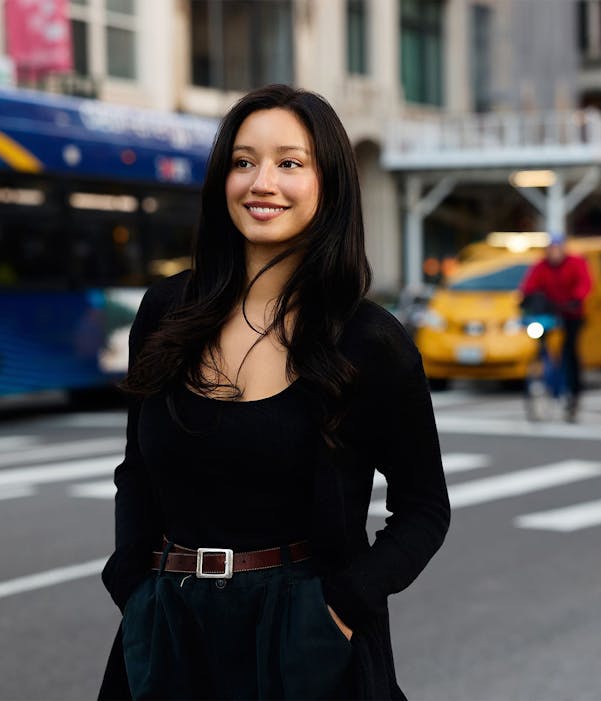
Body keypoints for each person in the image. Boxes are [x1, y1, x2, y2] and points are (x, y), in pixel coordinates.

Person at [97, 84, 450, 700]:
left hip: (303, 638)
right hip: (168, 624)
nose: (263, 182)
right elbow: (137, 472)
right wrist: (131, 584)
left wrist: (340, 608)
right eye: (243, 161)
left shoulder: (369, 341)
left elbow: (423, 509)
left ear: (328, 184)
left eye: (290, 162)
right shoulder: (165, 311)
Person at [519, 233, 592, 420]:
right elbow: (528, 285)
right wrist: (526, 299)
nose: (554, 253)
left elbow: (585, 283)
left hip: (571, 313)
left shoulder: (575, 263)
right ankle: (544, 373)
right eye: (551, 249)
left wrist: (576, 299)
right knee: (540, 343)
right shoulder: (541, 266)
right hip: (550, 314)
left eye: (557, 249)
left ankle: (573, 393)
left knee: (570, 351)